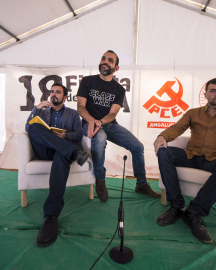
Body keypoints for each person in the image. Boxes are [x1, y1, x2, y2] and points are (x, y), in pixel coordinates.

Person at [153, 78, 216, 244]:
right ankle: (177, 206)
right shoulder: (193, 113)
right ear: (205, 94)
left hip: (215, 161)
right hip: (192, 156)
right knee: (164, 152)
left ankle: (194, 212)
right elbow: (177, 128)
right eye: (213, 91)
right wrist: (162, 136)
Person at [77, 50, 161, 202]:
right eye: (103, 58)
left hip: (108, 125)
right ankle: (100, 180)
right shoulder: (87, 81)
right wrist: (92, 121)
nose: (105, 62)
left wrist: (100, 122)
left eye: (110, 60)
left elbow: (112, 114)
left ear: (116, 68)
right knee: (100, 137)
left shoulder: (119, 89)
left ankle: (141, 184)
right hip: (88, 124)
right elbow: (80, 107)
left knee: (138, 147)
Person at [25, 83, 89, 247]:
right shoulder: (42, 112)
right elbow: (28, 128)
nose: (53, 94)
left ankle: (51, 216)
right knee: (33, 127)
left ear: (65, 97)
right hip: (46, 150)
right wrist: (37, 108)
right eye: (52, 91)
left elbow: (79, 133)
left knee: (62, 154)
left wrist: (64, 136)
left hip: (61, 152)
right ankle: (74, 152)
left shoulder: (73, 114)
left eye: (58, 92)